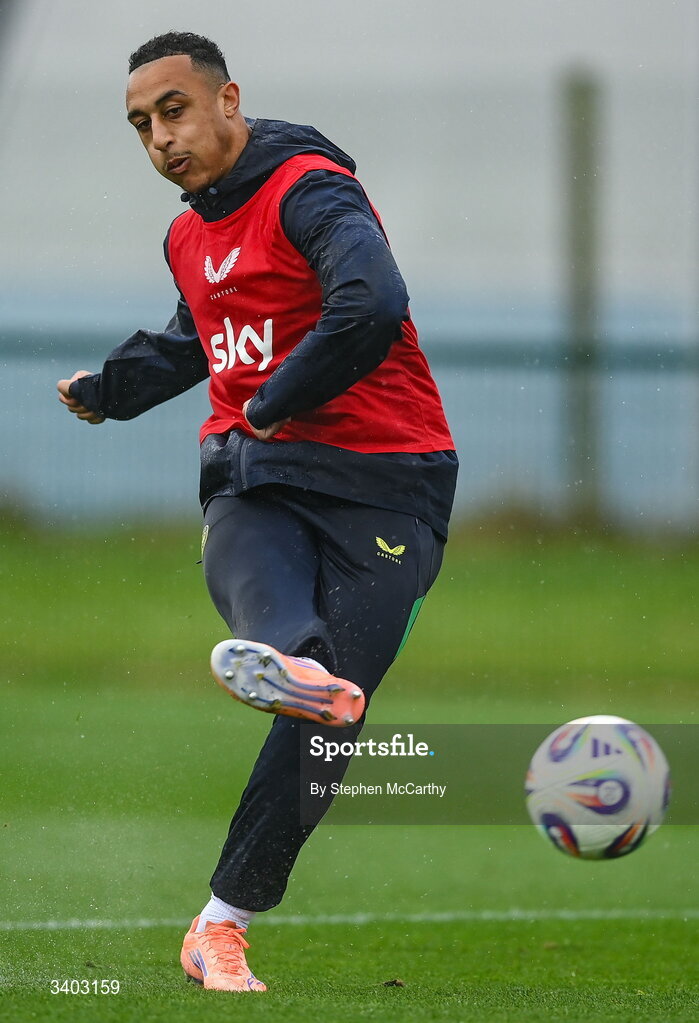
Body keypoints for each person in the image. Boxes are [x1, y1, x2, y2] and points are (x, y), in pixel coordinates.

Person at [57, 31, 457, 994]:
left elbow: (370, 304)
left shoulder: (312, 191)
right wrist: (111, 390)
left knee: (335, 710)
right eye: (141, 125)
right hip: (256, 475)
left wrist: (275, 399)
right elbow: (196, 334)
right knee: (299, 658)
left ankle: (217, 921)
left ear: (229, 100)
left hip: (390, 480)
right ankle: (280, 663)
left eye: (174, 111)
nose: (160, 137)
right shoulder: (187, 232)